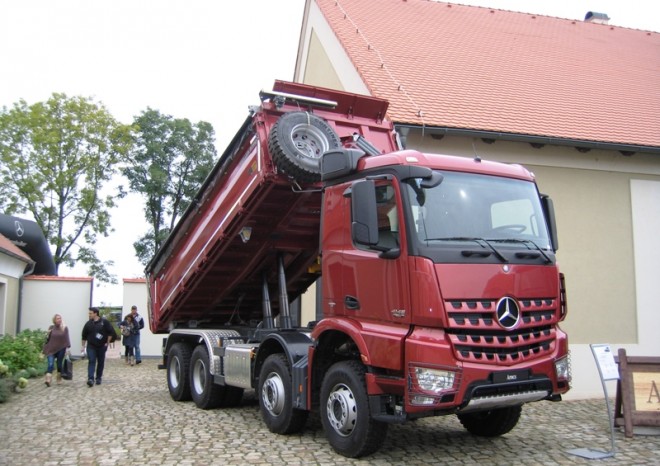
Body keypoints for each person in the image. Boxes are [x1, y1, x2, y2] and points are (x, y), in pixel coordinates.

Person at [81, 307, 115, 387]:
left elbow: (110, 333)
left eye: (90, 313)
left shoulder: (104, 322)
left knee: (100, 362)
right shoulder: (88, 324)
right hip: (91, 346)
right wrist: (83, 346)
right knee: (92, 361)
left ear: (95, 313)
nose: (89, 315)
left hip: (102, 346)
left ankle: (99, 377)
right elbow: (84, 336)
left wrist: (107, 342)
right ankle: (90, 379)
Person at [42, 314, 71, 387]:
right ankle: (48, 380)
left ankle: (59, 378)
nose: (59, 320)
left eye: (60, 318)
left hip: (61, 348)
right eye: (57, 318)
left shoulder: (64, 328)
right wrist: (47, 334)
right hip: (51, 349)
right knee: (50, 364)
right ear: (54, 320)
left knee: (59, 364)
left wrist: (67, 348)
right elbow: (47, 339)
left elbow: (66, 338)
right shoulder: (51, 327)